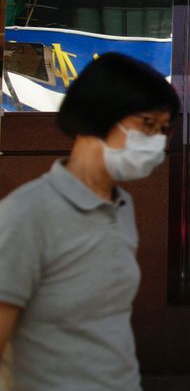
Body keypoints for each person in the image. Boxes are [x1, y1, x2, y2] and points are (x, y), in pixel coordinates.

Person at [0, 53, 179, 390]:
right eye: (147, 125)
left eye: (164, 130)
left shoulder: (121, 206)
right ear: (100, 115)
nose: (156, 142)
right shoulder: (26, 214)